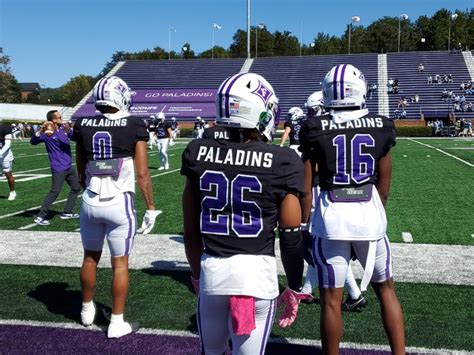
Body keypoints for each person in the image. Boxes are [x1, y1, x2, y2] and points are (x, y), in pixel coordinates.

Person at [182, 72, 311, 354]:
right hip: (255, 278)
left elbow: (191, 233)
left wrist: (196, 276)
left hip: (213, 273)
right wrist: (292, 286)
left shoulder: (196, 152)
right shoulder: (283, 160)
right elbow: (291, 238)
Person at [299, 64, 405, 354]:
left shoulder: (314, 128)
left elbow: (306, 187)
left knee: (331, 300)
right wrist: (372, 209)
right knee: (386, 291)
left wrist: (305, 225)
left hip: (331, 218)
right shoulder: (380, 125)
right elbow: (384, 185)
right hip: (368, 216)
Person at [74, 76, 161, 338]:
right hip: (119, 201)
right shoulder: (134, 123)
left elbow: (80, 165)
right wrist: (151, 206)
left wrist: (85, 182)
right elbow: (143, 173)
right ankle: (116, 322)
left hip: (90, 199)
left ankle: (86, 310)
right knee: (120, 263)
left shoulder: (83, 123)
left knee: (90, 257)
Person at [301, 91, 366, 312]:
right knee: (322, 245)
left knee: (325, 243)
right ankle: (307, 289)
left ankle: (354, 294)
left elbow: (317, 167)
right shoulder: (343, 127)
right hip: (347, 191)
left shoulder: (321, 131)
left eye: (312, 110)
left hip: (326, 190)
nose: (310, 114)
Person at [30, 111, 81, 225]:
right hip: (58, 167)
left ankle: (67, 212)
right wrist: (39, 131)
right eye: (59, 117)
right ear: (53, 120)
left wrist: (70, 130)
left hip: (68, 165)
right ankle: (40, 216)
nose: (61, 118)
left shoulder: (63, 129)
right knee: (55, 191)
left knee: (76, 187)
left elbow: (75, 138)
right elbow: (33, 142)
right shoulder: (48, 132)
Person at [0, 123, 16, 200]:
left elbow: (7, 144)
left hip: (4, 155)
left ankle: (12, 192)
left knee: (8, 174)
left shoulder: (5, 127)